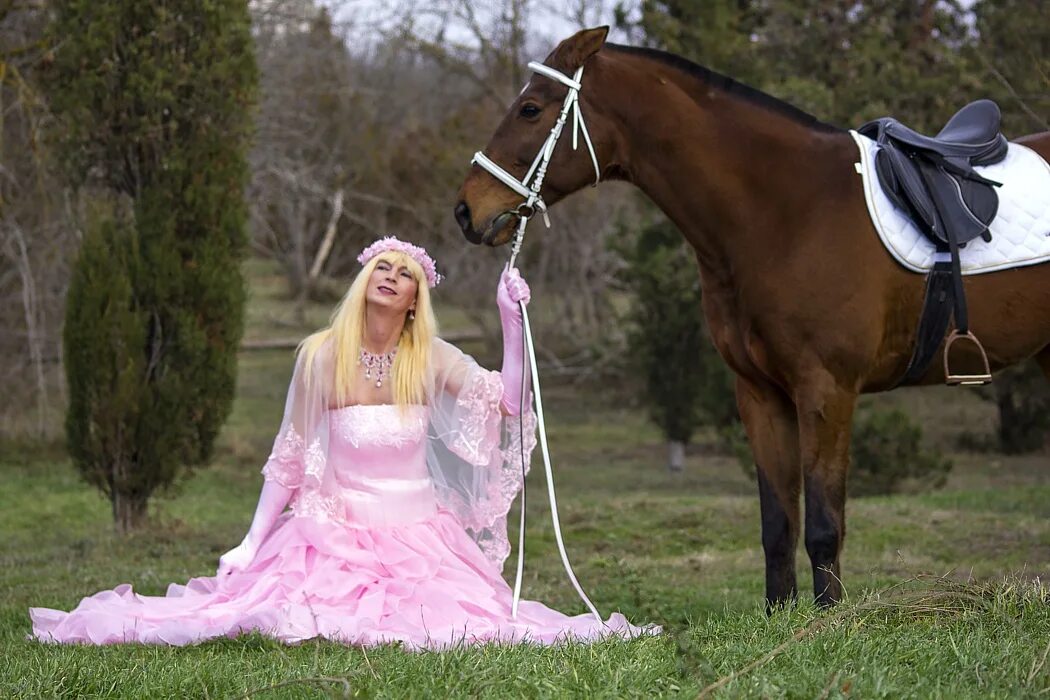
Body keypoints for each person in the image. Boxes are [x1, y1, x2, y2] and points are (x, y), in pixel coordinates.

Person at [30, 236, 653, 648]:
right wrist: (250, 543)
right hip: (336, 532)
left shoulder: (429, 356)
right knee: (279, 611)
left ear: (414, 300)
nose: (389, 276)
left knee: (473, 622)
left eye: (404, 274)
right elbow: (289, 455)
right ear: (364, 282)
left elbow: (512, 402)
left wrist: (509, 323)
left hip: (418, 536)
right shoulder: (321, 357)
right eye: (381, 266)